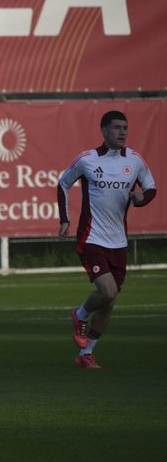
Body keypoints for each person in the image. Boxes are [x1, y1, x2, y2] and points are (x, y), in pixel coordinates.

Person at [58, 110, 156, 369]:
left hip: (118, 242)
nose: (122, 132)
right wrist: (65, 219)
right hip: (91, 238)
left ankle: (86, 354)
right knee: (107, 291)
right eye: (116, 128)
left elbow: (151, 187)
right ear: (103, 131)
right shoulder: (87, 160)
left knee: (109, 303)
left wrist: (142, 199)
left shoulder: (134, 160)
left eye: (125, 127)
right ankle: (79, 314)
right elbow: (62, 183)